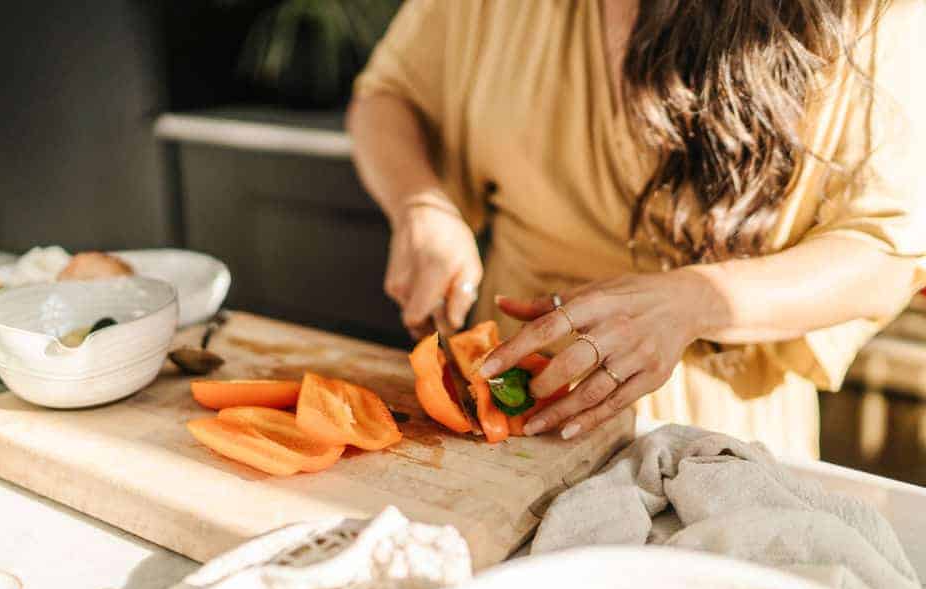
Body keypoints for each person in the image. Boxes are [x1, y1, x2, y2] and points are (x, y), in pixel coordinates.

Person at [347, 0, 926, 460]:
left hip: (717, 435)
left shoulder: (877, 13)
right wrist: (423, 207)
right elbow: (389, 95)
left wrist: (692, 302)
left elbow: (888, 250)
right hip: (506, 401)